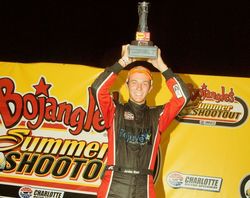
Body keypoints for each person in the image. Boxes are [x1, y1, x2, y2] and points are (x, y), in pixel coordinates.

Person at [91, 44, 190, 198]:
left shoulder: (158, 116)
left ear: (151, 88)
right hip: (114, 184)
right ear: (127, 85)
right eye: (134, 82)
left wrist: (161, 66)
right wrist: (123, 62)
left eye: (144, 83)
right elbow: (97, 89)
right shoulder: (115, 111)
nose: (139, 88)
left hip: (144, 186)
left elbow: (183, 97)